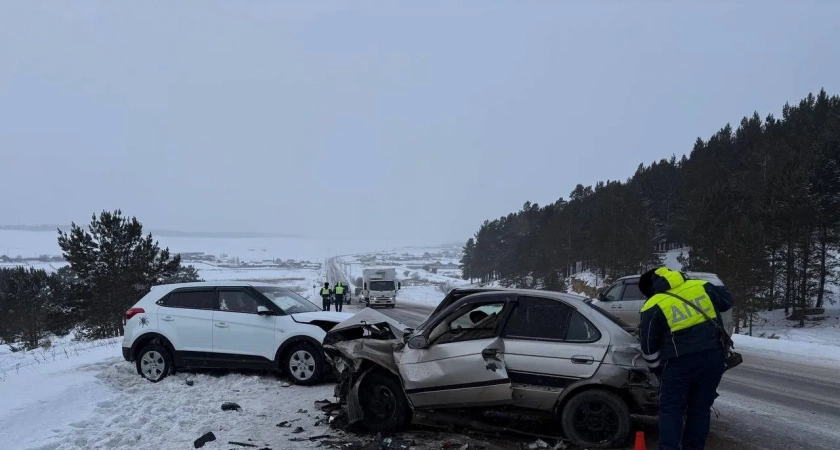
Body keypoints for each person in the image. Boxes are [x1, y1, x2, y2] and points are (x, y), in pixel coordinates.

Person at [638, 267, 734, 450]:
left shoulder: (653, 304)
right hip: (712, 359)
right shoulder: (701, 286)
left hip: (678, 364)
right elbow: (727, 300)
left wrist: (657, 370)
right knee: (700, 409)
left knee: (672, 410)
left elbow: (648, 347)